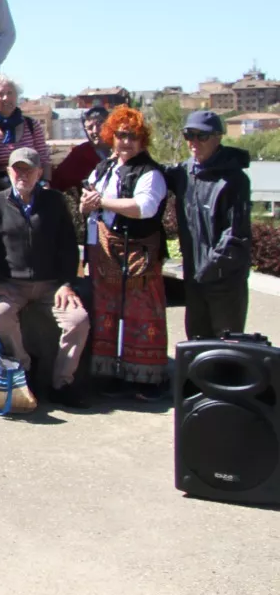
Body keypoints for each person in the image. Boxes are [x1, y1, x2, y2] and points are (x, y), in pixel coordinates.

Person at [0, 147, 92, 408]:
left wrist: (66, 284)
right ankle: (23, 369)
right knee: (0, 315)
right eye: (17, 169)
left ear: (40, 173)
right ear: (8, 171)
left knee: (79, 320)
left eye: (28, 170)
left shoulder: (55, 201)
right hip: (11, 284)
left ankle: (62, 383)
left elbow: (68, 246)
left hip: (51, 286)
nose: (23, 174)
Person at [80, 107, 170, 399]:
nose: (126, 142)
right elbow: (87, 200)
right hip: (102, 253)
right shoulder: (103, 168)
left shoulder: (151, 173)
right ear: (112, 136)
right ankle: (107, 375)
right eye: (121, 135)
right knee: (105, 314)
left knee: (142, 314)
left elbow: (144, 207)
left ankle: (145, 380)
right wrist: (86, 204)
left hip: (139, 257)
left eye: (133, 136)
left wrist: (102, 202)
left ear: (143, 140)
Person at [166, 110, 252, 340]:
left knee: (227, 346)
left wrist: (209, 269)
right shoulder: (184, 172)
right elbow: (151, 176)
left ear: (218, 137)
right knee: (197, 345)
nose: (194, 142)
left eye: (201, 136)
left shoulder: (234, 180)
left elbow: (235, 235)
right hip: (194, 279)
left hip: (225, 282)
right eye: (189, 135)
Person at [0, 74, 50, 178]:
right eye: (0, 94)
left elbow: (43, 159)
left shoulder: (31, 125)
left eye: (10, 93)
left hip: (30, 181)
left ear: (16, 96)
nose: (6, 98)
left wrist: (45, 182)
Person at [51, 105, 110, 192]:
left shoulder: (122, 150)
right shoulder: (79, 153)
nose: (95, 131)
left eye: (99, 125)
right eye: (90, 127)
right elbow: (57, 180)